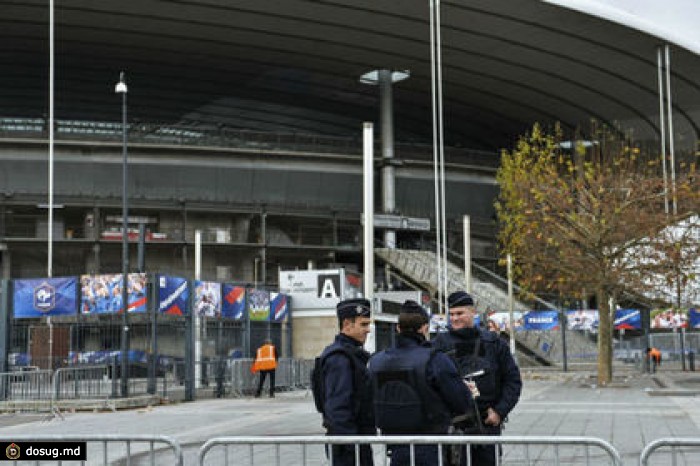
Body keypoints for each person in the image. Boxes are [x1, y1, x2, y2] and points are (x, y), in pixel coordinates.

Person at [369, 300, 475, 466]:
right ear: (425, 328)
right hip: (430, 446)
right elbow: (461, 402)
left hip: (395, 447)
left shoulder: (376, 361)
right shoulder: (435, 359)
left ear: (398, 328)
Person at [433, 291, 522, 466]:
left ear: (473, 313)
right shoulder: (439, 345)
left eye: (460, 313)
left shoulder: (494, 344)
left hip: (486, 426)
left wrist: (499, 411)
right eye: (451, 314)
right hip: (453, 428)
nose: (454, 318)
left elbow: (513, 381)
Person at [318, 298, 375, 466]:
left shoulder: (351, 355)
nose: (368, 330)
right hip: (349, 445)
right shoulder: (339, 358)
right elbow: (338, 408)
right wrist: (351, 446)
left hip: (356, 440)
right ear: (347, 324)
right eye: (363, 325)